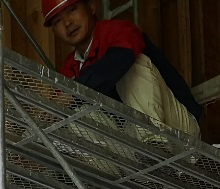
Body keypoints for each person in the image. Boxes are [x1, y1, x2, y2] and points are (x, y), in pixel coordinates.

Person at [43, 0, 203, 139]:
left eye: (72, 10)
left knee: (131, 62)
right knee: (73, 113)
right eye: (57, 21)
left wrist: (73, 93)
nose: (67, 23)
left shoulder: (119, 30)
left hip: (178, 130)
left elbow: (120, 60)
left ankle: (152, 140)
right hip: (129, 144)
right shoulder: (69, 68)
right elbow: (58, 107)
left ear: (91, 7)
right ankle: (108, 165)